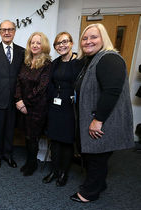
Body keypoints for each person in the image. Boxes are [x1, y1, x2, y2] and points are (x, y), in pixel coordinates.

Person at [70, 23, 134, 203]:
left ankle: (89, 193)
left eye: (94, 37)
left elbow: (111, 92)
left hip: (101, 120)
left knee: (96, 157)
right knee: (95, 156)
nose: (88, 41)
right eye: (85, 38)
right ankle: (99, 184)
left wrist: (98, 120)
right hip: (92, 118)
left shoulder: (109, 59)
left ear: (103, 39)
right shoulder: (92, 60)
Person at [0, 20, 24, 169]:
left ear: (14, 31)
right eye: (4, 30)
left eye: (10, 30)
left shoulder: (22, 52)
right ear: (0, 32)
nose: (7, 32)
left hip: (15, 100)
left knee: (10, 129)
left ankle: (8, 155)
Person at [43, 32, 81, 186]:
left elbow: (83, 84)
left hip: (70, 107)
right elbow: (50, 83)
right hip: (55, 105)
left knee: (66, 141)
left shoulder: (79, 62)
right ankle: (54, 170)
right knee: (55, 140)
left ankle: (64, 172)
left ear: (71, 43)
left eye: (65, 42)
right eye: (58, 43)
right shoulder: (55, 63)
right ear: (55, 47)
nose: (62, 45)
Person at [15, 32, 51, 176]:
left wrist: (25, 103)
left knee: (33, 137)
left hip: (37, 108)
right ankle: (30, 161)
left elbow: (41, 88)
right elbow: (18, 81)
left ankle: (32, 163)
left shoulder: (47, 64)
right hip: (22, 106)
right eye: (32, 42)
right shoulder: (26, 62)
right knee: (27, 135)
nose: (35, 45)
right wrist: (18, 100)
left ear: (44, 45)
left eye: (38, 42)